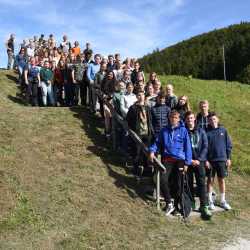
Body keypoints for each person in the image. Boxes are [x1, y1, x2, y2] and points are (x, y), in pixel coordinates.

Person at [148, 110, 192, 216]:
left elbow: (188, 147)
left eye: (176, 117)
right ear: (169, 118)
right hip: (168, 159)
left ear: (179, 119)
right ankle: (169, 203)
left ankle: (177, 207)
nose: (173, 119)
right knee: (162, 179)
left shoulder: (183, 130)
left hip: (180, 160)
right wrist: (152, 151)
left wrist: (187, 163)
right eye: (172, 117)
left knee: (178, 185)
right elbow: (157, 142)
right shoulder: (164, 130)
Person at [185, 111, 212, 219]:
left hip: (199, 162)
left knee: (201, 183)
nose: (190, 120)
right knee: (189, 182)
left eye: (191, 118)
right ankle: (191, 203)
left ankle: (204, 205)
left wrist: (199, 159)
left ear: (194, 119)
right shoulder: (184, 131)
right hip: (188, 162)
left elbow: (205, 146)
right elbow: (182, 146)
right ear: (186, 120)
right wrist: (190, 160)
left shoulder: (201, 131)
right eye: (188, 118)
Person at [206, 112, 232, 210]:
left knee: (221, 180)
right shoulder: (206, 132)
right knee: (210, 180)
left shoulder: (223, 130)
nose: (212, 121)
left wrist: (228, 158)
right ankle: (210, 201)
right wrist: (206, 160)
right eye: (210, 119)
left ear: (217, 119)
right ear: (208, 121)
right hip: (210, 161)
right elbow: (204, 147)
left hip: (222, 159)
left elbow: (228, 145)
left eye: (214, 119)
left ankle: (222, 200)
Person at [126, 90, 154, 177]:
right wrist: (132, 130)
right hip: (137, 133)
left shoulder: (148, 108)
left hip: (147, 132)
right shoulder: (133, 108)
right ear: (137, 97)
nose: (141, 96)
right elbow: (128, 120)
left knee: (146, 152)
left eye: (142, 95)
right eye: (139, 95)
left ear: (144, 96)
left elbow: (150, 120)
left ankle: (145, 170)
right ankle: (136, 169)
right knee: (136, 151)